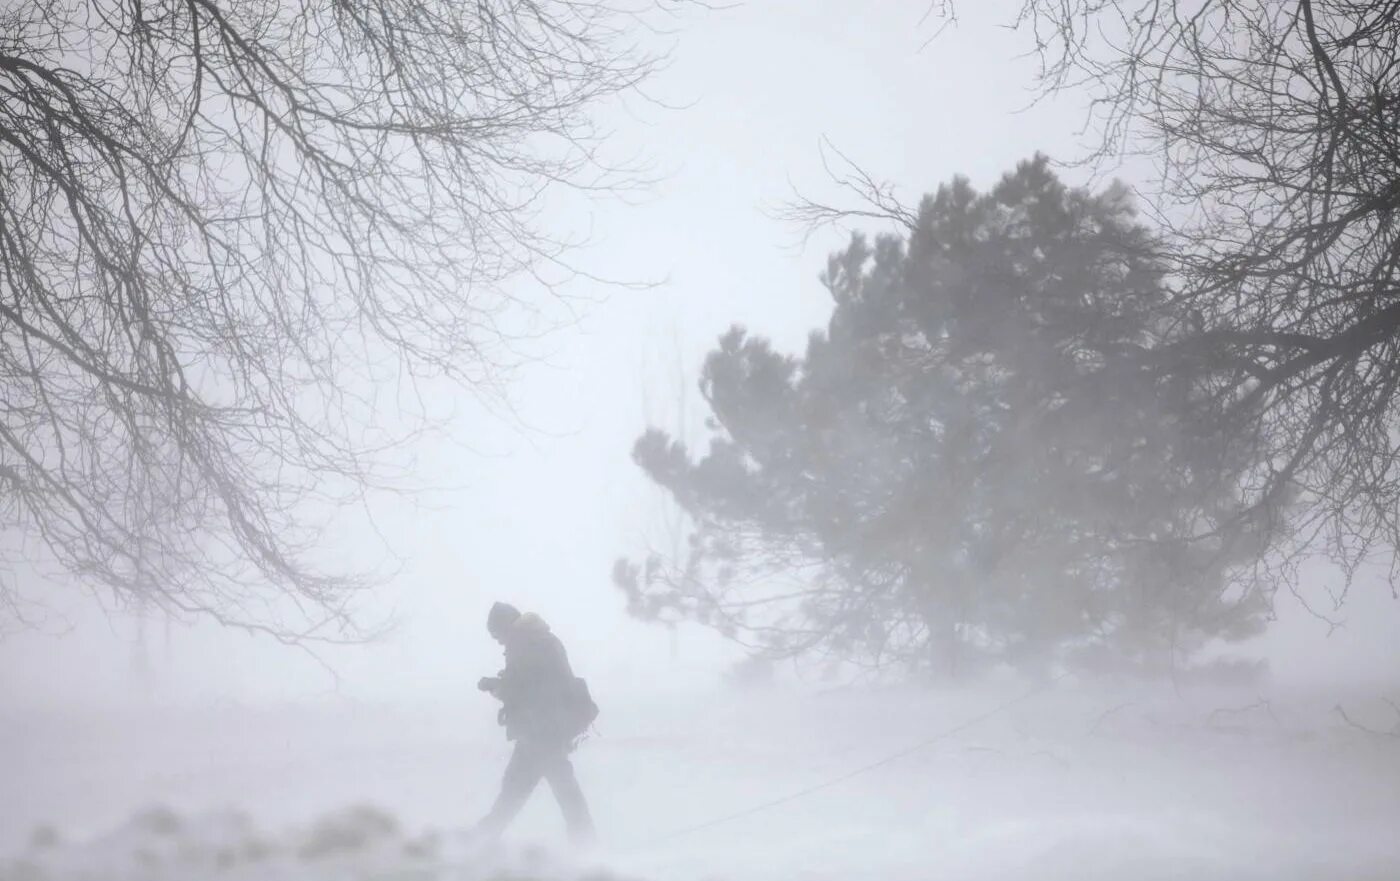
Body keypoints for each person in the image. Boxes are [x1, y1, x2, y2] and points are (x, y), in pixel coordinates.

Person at [473, 602, 596, 845]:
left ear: (507, 627)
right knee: (545, 786)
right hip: (547, 728)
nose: (499, 642)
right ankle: (585, 841)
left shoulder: (526, 644)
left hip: (541, 730)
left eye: (498, 635)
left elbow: (524, 688)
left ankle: (482, 840)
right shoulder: (538, 640)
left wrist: (494, 686)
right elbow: (535, 679)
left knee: (522, 789)